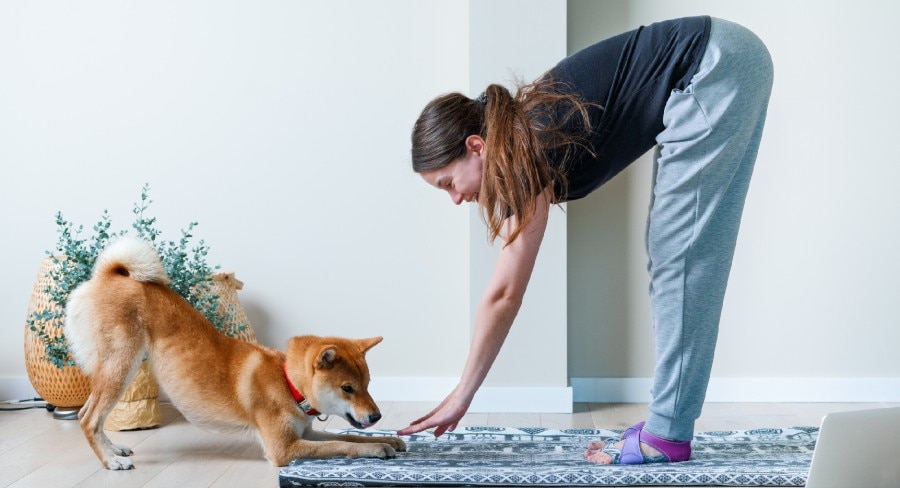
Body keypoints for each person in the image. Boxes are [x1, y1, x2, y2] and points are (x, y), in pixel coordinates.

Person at [397, 16, 773, 466]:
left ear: (475, 147)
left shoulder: (526, 147)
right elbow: (506, 287)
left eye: (447, 183)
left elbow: (504, 294)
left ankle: (668, 433)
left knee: (682, 257)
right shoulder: (520, 139)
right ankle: (666, 421)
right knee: (677, 253)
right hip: (719, 59)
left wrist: (462, 394)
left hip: (713, 65)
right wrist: (465, 392)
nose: (456, 199)